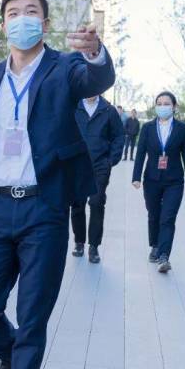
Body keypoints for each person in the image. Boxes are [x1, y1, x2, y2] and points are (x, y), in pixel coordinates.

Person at [0, 0, 115, 369]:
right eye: (13, 13)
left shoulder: (65, 67)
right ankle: (8, 354)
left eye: (30, 12)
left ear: (44, 23)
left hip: (44, 209)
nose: (21, 19)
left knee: (32, 316)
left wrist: (95, 52)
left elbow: (98, 77)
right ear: (3, 24)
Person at [131, 91, 185, 274]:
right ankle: (155, 245)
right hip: (151, 179)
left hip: (174, 181)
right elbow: (140, 153)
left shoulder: (181, 129)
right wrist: (136, 177)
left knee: (168, 217)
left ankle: (164, 256)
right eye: (159, 103)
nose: (162, 107)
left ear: (174, 107)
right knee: (154, 215)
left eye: (166, 103)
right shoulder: (148, 128)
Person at [71, 95, 124, 262]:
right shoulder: (74, 106)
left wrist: (110, 160)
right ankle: (79, 242)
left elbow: (118, 136)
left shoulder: (108, 110)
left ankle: (94, 247)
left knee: (96, 202)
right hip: (77, 164)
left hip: (100, 165)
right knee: (77, 204)